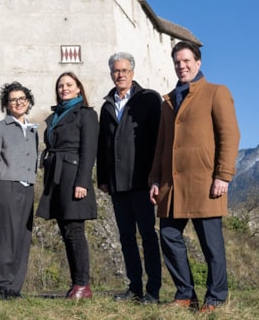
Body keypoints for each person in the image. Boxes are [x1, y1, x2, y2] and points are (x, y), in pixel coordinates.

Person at [149, 40, 240, 312]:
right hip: (172, 184)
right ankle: (185, 294)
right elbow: (161, 144)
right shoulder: (168, 101)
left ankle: (216, 297)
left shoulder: (216, 92)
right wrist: (155, 179)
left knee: (211, 245)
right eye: (177, 62)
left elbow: (230, 135)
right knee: (168, 236)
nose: (182, 66)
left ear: (198, 63)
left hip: (205, 182)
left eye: (186, 61)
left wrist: (223, 175)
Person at [97, 52, 162, 304]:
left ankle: (153, 290)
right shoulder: (106, 105)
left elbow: (158, 139)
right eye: (116, 71)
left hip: (142, 180)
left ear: (132, 73)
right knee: (125, 237)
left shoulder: (148, 99)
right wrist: (103, 177)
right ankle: (134, 288)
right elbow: (103, 144)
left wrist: (155, 176)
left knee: (147, 235)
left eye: (124, 70)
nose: (120, 74)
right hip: (116, 182)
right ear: (111, 74)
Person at [36, 72, 99, 300]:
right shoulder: (57, 115)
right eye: (61, 85)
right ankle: (77, 284)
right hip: (57, 176)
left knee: (75, 232)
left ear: (78, 89)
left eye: (69, 85)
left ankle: (83, 285)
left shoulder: (86, 114)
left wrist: (82, 182)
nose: (64, 88)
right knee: (66, 231)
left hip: (73, 176)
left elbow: (89, 150)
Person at [0, 82, 39, 300]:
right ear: (7, 104)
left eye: (22, 99)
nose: (18, 103)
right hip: (5, 186)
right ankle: (4, 285)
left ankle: (16, 286)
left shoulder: (33, 130)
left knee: (23, 238)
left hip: (27, 187)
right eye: (13, 99)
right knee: (4, 237)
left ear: (28, 101)